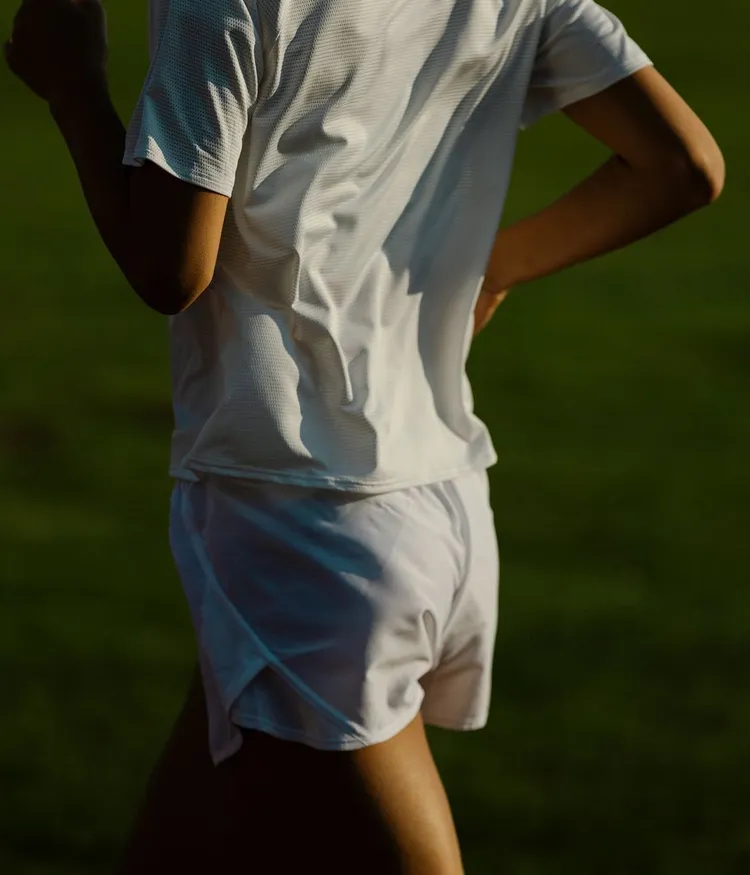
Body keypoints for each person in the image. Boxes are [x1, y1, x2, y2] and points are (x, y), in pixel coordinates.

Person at [5, 0, 723, 872]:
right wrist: (494, 268)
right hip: (439, 495)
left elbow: (169, 266)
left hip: (304, 526)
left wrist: (75, 87)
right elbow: (683, 165)